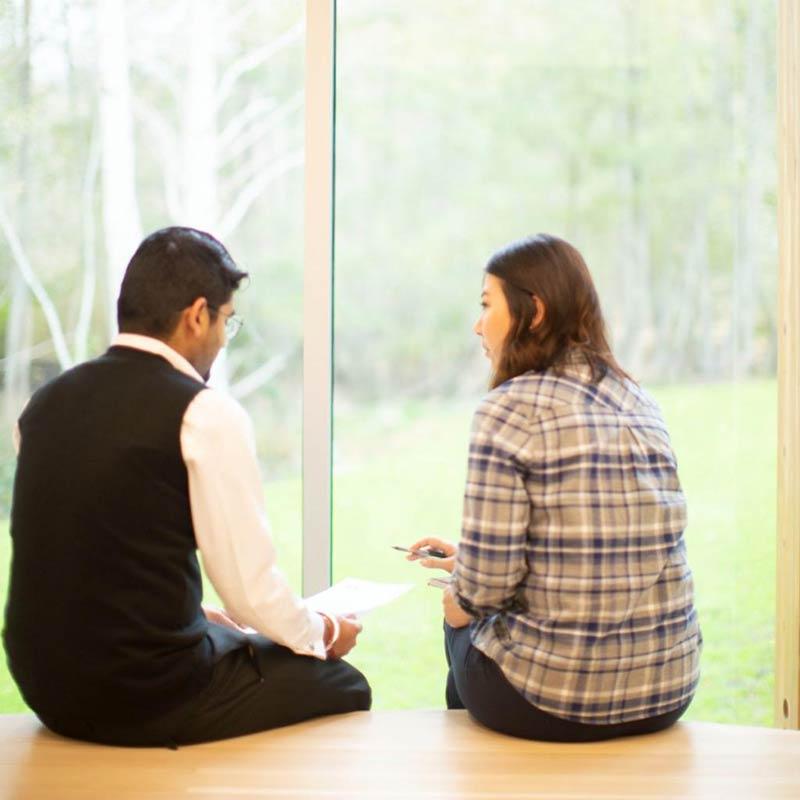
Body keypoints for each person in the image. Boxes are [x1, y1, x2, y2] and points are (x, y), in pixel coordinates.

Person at [4, 226, 371, 747]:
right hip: (144, 694)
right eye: (227, 321)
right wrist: (327, 632)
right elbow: (249, 592)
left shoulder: (43, 404)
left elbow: (91, 546)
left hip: (43, 684)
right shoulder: (202, 413)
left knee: (225, 633)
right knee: (342, 684)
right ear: (198, 315)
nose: (223, 339)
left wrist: (198, 614)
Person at [408, 233, 701, 742]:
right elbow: (608, 545)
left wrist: (463, 592)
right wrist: (472, 560)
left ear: (534, 310)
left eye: (485, 305)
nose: (477, 324)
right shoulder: (639, 399)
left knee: (459, 624)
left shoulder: (507, 409)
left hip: (554, 700)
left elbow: (486, 590)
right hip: (667, 690)